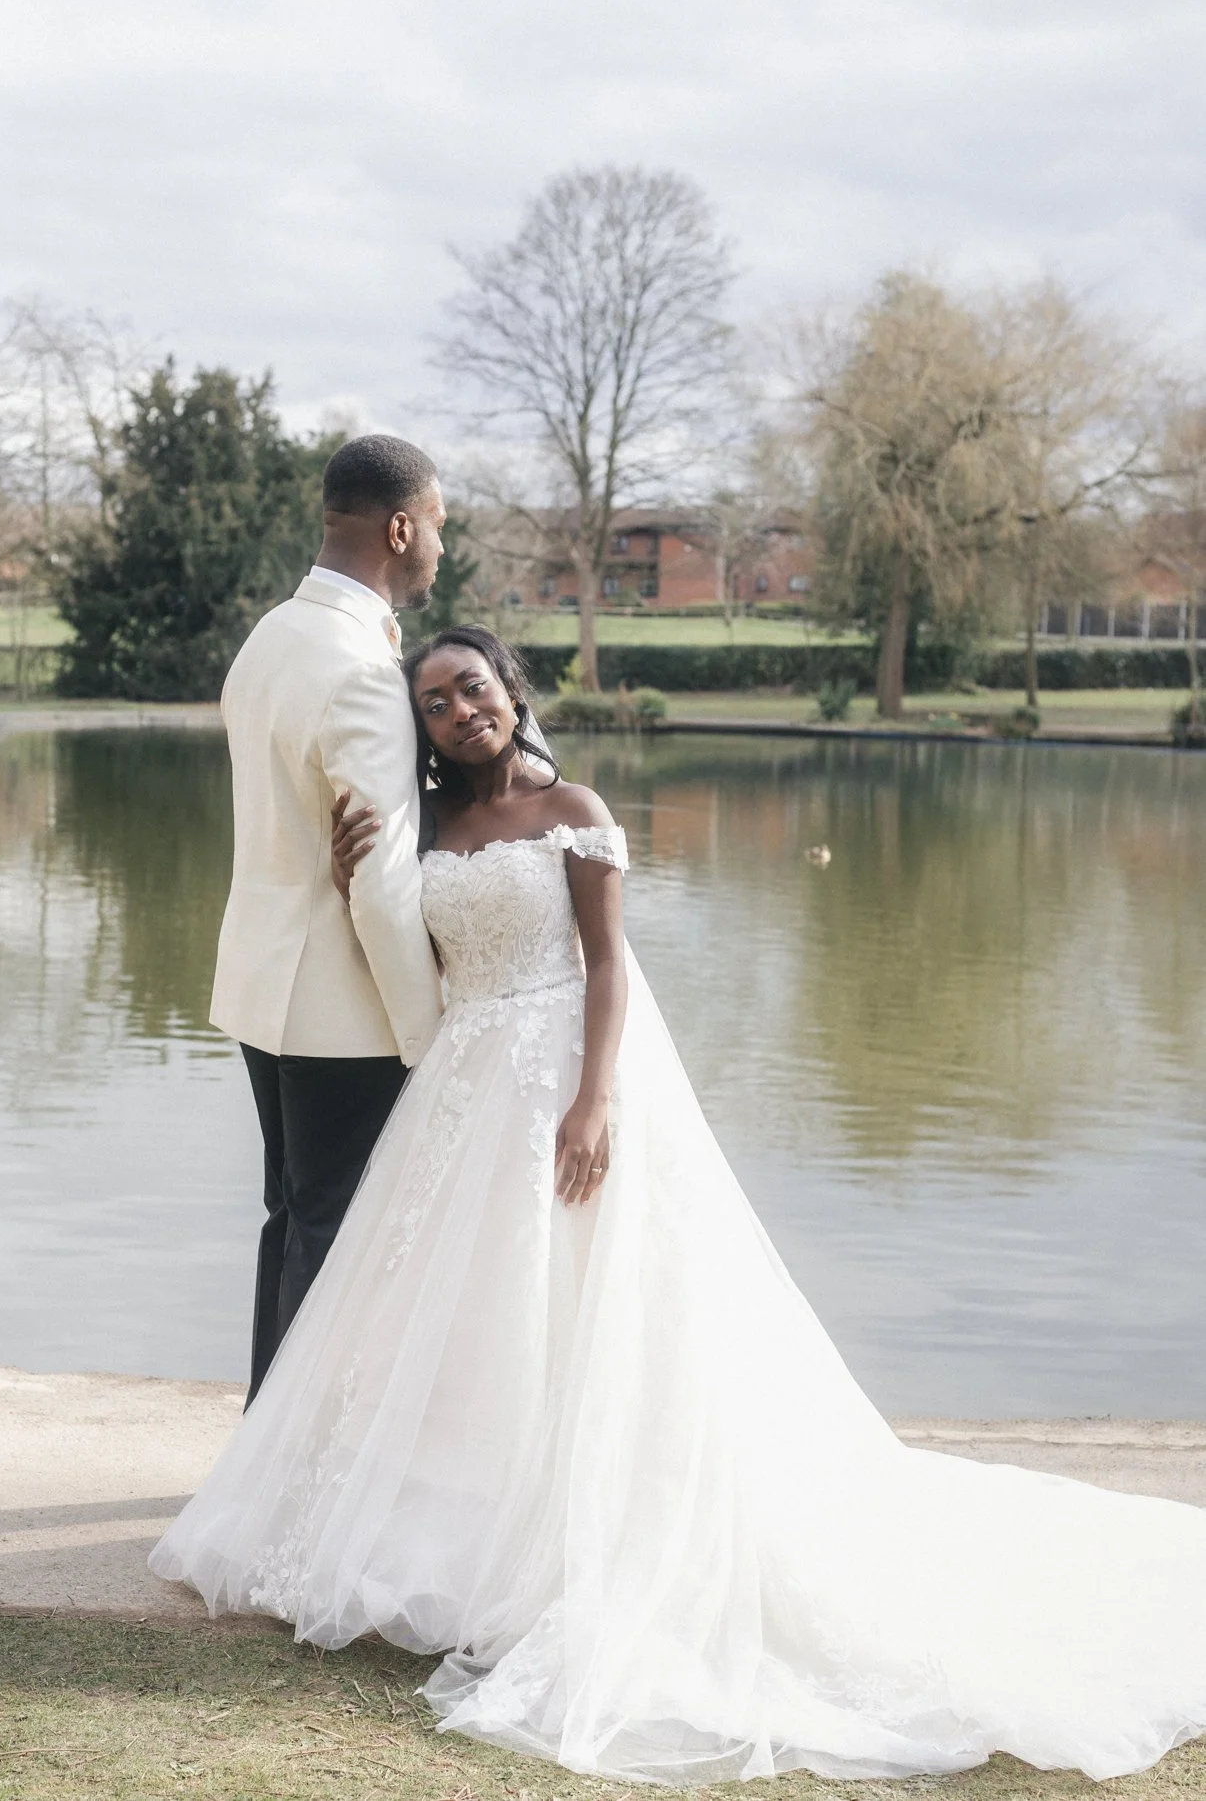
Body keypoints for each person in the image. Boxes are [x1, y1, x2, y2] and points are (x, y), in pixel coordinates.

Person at [155, 626, 1206, 1786]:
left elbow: (606, 965)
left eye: (475, 687)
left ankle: (591, 1526)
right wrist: (364, 877)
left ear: (512, 690)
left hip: (565, 1068)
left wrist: (593, 1102)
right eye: (437, 703)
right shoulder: (429, 826)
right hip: (464, 1089)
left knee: (596, 1304)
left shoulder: (574, 811)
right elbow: (419, 957)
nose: (461, 711)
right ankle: (460, 1532)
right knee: (465, 1316)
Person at [208, 434, 446, 1403]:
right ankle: (286, 1485)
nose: (440, 544)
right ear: (400, 527)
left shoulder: (270, 636)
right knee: (339, 1237)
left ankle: (260, 1461)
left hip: (265, 990)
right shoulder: (359, 667)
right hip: (344, 1008)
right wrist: (429, 1035)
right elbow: (381, 885)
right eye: (438, 524)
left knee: (294, 1222)